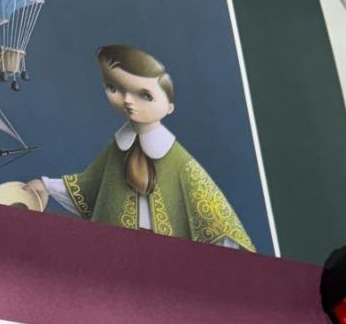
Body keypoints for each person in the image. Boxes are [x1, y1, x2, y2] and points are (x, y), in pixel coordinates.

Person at [18, 44, 255, 247]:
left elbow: (216, 218)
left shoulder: (179, 163)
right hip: (114, 247)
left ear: (169, 106)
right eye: (114, 88)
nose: (128, 101)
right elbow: (89, 187)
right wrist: (47, 186)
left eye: (145, 96)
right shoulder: (118, 150)